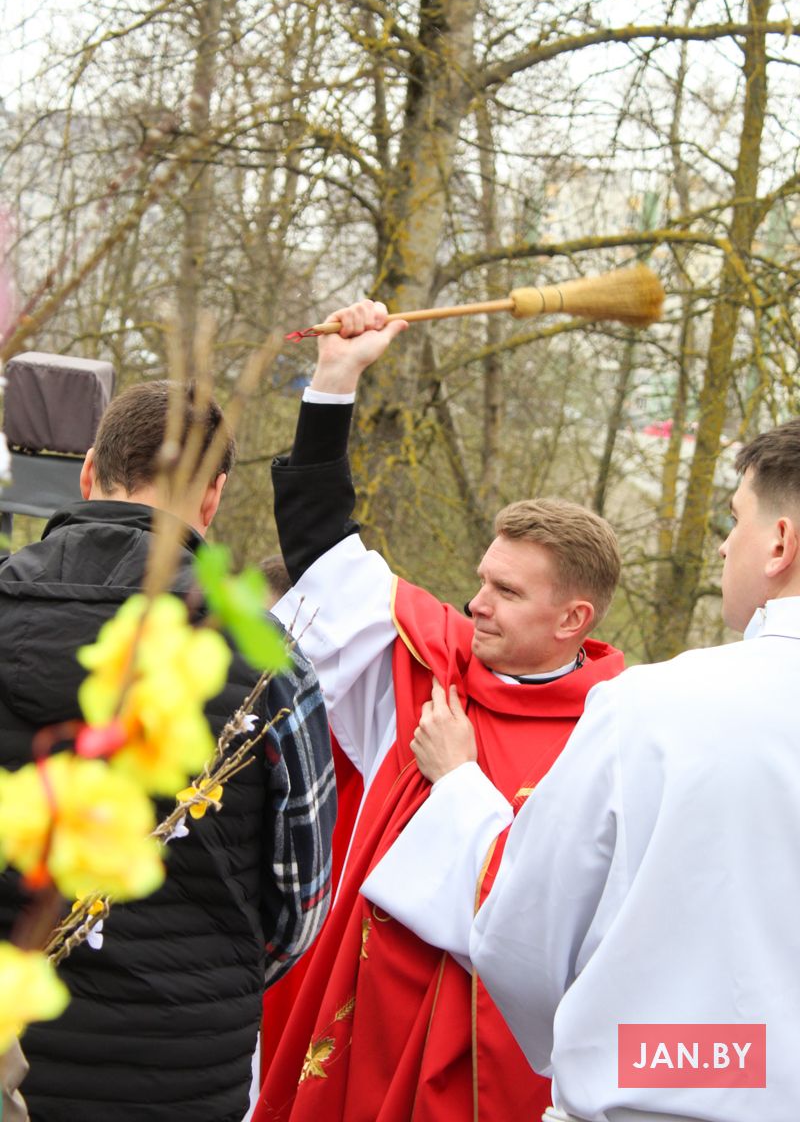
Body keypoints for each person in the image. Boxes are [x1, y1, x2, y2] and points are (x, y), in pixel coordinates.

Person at [366, 418, 800, 1122]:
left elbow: (523, 934)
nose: (725, 545)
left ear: (779, 543)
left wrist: (460, 789)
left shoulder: (652, 706)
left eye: (736, 518)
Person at [256, 301, 626, 1122]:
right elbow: (322, 547)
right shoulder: (429, 660)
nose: (476, 602)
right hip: (365, 1031)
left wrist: (458, 782)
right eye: (483, 578)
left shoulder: (622, 733)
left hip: (500, 1072)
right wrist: (335, 379)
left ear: (573, 619)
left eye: (506, 592)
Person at [0, 380, 337, 1122]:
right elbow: (301, 903)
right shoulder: (264, 659)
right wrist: (212, 976)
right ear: (213, 497)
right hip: (180, 1064)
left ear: (89, 471)